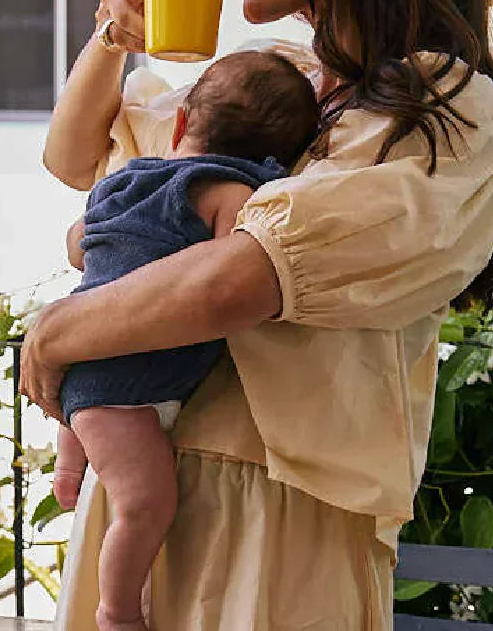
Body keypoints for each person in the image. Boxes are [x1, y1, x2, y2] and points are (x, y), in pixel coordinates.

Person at [26, 0, 493, 631]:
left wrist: (57, 334)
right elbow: (77, 162)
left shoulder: (444, 110)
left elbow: (246, 276)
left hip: (278, 532)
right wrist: (114, 39)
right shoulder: (278, 80)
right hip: (140, 507)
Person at [52, 49, 320, 631]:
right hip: (129, 385)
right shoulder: (233, 194)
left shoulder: (125, 180)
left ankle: (68, 466)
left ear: (179, 125)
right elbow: (224, 279)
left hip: (84, 363)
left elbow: (78, 244)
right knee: (147, 505)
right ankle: (117, 611)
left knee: (94, 422)